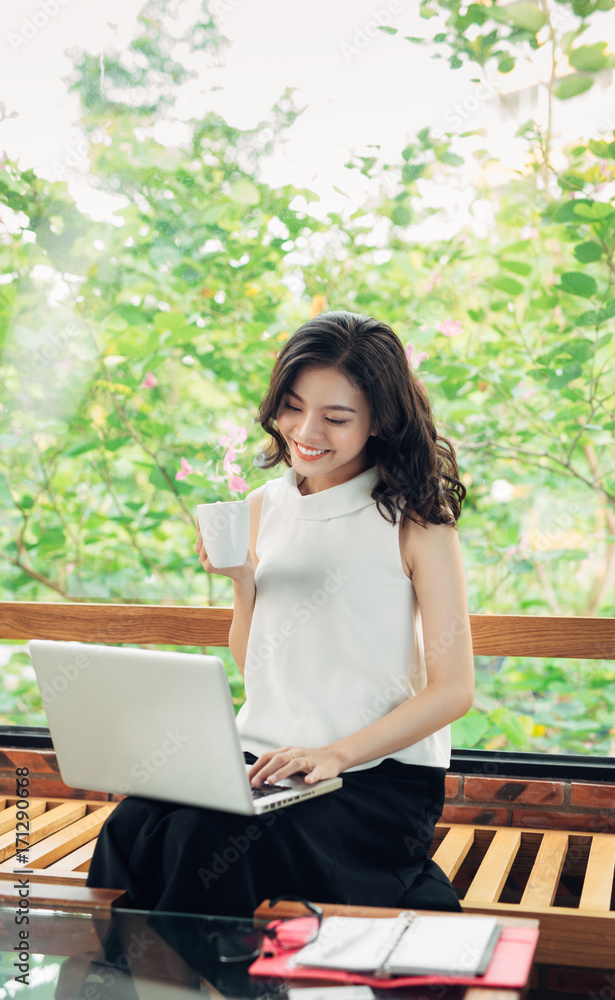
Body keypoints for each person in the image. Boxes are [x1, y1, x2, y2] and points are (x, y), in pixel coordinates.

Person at [86, 310, 475, 917]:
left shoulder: (416, 520)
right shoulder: (265, 505)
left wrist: (336, 754)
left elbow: (453, 690)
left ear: (381, 420)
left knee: (204, 841)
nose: (305, 430)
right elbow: (256, 664)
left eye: (336, 417)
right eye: (292, 406)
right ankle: (133, 981)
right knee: (134, 825)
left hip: (371, 778)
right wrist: (244, 581)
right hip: (266, 762)